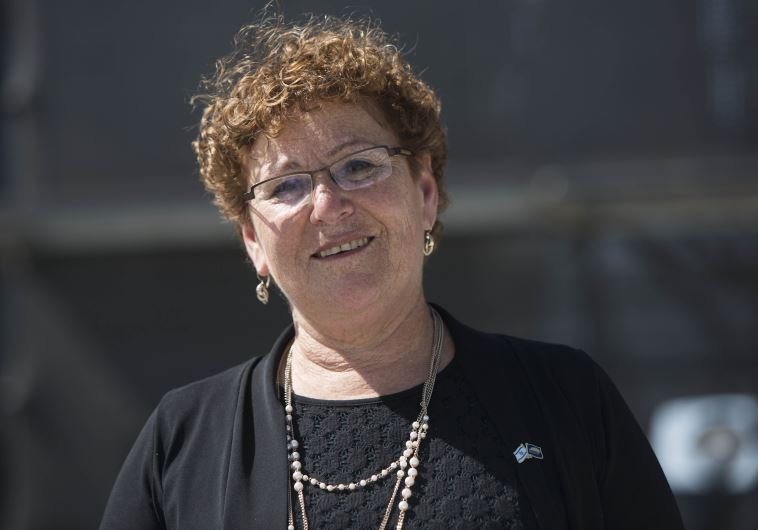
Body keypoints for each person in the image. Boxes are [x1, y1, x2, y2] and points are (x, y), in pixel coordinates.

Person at [100, 11, 685, 530]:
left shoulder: (566, 398)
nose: (328, 205)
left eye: (358, 166)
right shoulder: (182, 441)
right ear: (253, 240)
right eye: (286, 186)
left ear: (424, 193)